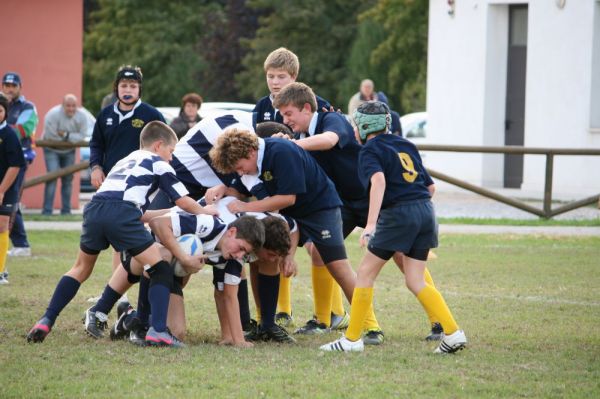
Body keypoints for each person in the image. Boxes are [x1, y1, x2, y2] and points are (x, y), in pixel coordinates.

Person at [274, 82, 444, 341]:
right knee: (318, 250)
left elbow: (330, 141)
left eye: (288, 114)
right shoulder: (299, 136)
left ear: (307, 109)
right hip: (344, 203)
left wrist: (293, 145)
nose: (285, 120)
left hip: (374, 197)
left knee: (402, 255)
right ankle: (325, 319)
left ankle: (438, 322)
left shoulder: (334, 120)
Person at [26, 121, 217, 347]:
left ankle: (46, 319)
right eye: (171, 151)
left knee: (80, 269)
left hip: (95, 209)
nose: (172, 158)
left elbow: (139, 212)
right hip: (122, 212)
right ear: (158, 146)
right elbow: (183, 201)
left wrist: (171, 211)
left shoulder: (125, 160)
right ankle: (157, 331)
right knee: (159, 267)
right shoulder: (159, 163)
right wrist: (205, 210)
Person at [209, 128, 382, 344]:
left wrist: (247, 205)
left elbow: (287, 198)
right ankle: (266, 323)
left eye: (241, 167)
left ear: (250, 152)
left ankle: (370, 325)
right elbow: (237, 189)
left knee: (337, 265)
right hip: (288, 216)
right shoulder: (250, 163)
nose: (241, 172)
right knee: (263, 257)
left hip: (319, 209)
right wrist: (222, 188)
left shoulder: (281, 151)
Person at [320, 101, 467, 353]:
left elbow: (378, 182)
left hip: (400, 214)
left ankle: (352, 339)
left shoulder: (369, 151)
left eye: (357, 124)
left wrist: (370, 224)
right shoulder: (406, 144)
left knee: (365, 274)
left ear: (367, 126)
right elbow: (430, 187)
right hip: (426, 211)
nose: (354, 129)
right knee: (415, 280)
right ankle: (453, 333)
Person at [88, 65, 165, 304]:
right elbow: (96, 145)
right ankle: (119, 295)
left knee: (138, 237)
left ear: (140, 88)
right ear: (116, 88)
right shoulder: (105, 115)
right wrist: (95, 167)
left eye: (133, 86)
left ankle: (136, 292)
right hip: (112, 186)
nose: (128, 90)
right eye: (124, 86)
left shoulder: (151, 115)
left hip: (142, 187)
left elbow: (166, 145)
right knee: (117, 242)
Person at [1, 72, 39, 257]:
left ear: (20, 87)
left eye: (13, 86)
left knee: (11, 198)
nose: (9, 89)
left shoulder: (28, 107)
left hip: (20, 159)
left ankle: (21, 243)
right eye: (6, 85)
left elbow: (23, 130)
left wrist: (6, 130)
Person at [253, 47, 331, 125]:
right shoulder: (262, 105)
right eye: (270, 76)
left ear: (293, 77)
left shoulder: (318, 105)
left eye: (281, 77)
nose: (275, 82)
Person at [41, 94, 89, 215]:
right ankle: (47, 212)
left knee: (68, 180)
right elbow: (51, 136)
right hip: (51, 149)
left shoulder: (82, 116)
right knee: (51, 178)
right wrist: (72, 138)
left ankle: (66, 211)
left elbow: (82, 135)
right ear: (62, 105)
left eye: (74, 106)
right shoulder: (52, 114)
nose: (71, 108)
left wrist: (66, 135)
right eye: (68, 105)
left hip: (69, 151)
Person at [0, 94, 26, 285]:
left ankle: (1, 271)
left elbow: (16, 165)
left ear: (5, 113)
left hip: (6, 189)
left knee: (1, 226)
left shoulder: (9, 135)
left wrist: (1, 190)